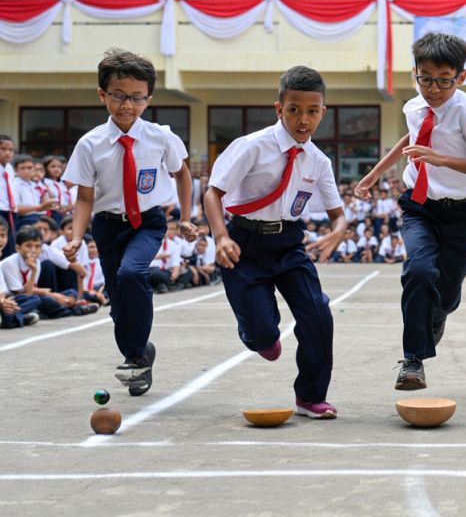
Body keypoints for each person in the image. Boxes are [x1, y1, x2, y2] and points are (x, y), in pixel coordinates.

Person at [355, 32, 466, 391]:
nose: (433, 89)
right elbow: (410, 138)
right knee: (418, 271)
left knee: (446, 295)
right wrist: (375, 173)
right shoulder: (413, 107)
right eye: (425, 78)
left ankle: (436, 315)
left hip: (463, 213)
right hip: (419, 206)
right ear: (415, 73)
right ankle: (413, 361)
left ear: (460, 77)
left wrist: (441, 159)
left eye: (443, 81)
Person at [205, 65, 347, 420]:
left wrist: (338, 231)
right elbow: (213, 193)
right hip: (243, 244)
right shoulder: (253, 147)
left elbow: (337, 213)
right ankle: (258, 336)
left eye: (312, 111)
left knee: (318, 314)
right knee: (261, 335)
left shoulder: (318, 161)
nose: (303, 120)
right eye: (294, 110)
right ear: (278, 109)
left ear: (322, 113)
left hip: (288, 244)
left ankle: (311, 396)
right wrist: (220, 236)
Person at [62, 48, 196, 397]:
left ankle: (135, 359)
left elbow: (182, 174)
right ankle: (141, 352)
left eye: (137, 98)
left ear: (148, 98)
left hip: (148, 222)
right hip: (108, 225)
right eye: (119, 96)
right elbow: (84, 198)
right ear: (102, 94)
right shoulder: (90, 144)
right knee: (118, 305)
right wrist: (77, 237)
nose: (127, 106)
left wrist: (185, 217)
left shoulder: (160, 137)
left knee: (132, 273)